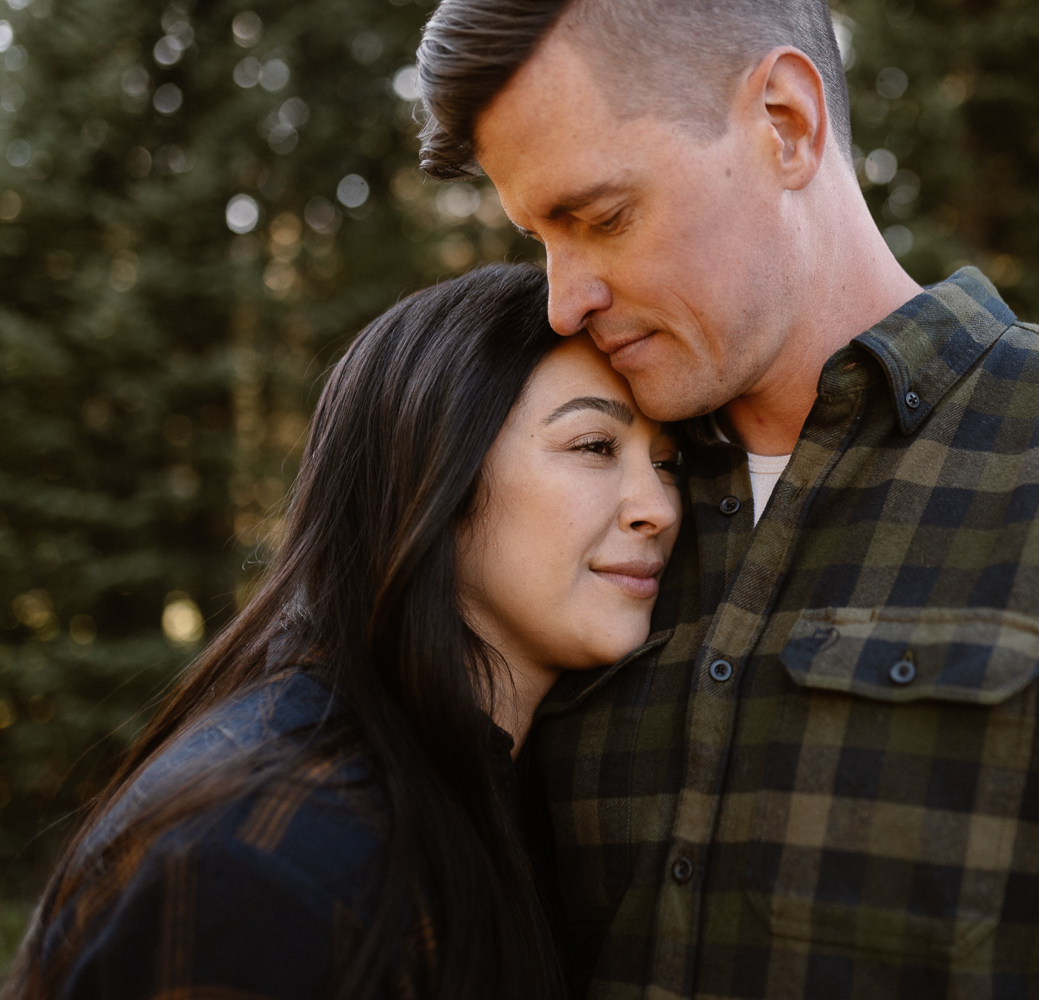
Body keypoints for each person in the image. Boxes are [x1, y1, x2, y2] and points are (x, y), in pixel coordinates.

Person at [413, 2, 1039, 999]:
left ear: (787, 121)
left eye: (601, 218)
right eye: (540, 236)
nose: (563, 298)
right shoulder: (560, 517)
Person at [2, 263, 682, 1000]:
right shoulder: (273, 858)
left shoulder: (500, 791)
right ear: (433, 471)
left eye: (669, 465)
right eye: (593, 447)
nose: (658, 509)